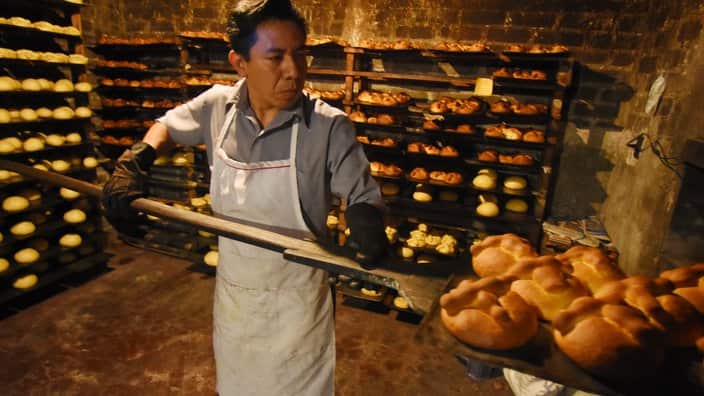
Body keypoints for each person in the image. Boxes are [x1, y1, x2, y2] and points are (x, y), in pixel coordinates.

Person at [101, 0, 388, 394]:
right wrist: (135, 162)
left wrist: (366, 222)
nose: (294, 70)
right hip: (236, 300)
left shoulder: (328, 127)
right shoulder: (216, 108)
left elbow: (362, 195)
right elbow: (165, 127)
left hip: (298, 307)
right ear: (240, 63)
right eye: (275, 57)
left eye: (300, 53)